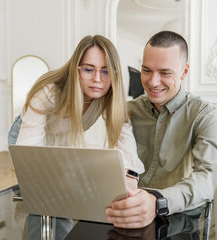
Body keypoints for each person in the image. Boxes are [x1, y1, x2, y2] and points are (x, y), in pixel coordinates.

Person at [105, 31, 217, 229]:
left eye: (165, 73)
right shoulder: (128, 112)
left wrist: (158, 202)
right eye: (146, 70)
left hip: (183, 223)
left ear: (184, 72)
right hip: (128, 219)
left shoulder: (205, 114)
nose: (153, 82)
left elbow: (211, 177)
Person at [9, 35, 144, 188]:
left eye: (106, 72)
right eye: (88, 69)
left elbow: (125, 139)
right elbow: (29, 150)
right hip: (27, 133)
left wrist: (130, 177)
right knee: (35, 187)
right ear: (76, 69)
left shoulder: (109, 96)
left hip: (61, 136)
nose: (97, 79)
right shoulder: (48, 93)